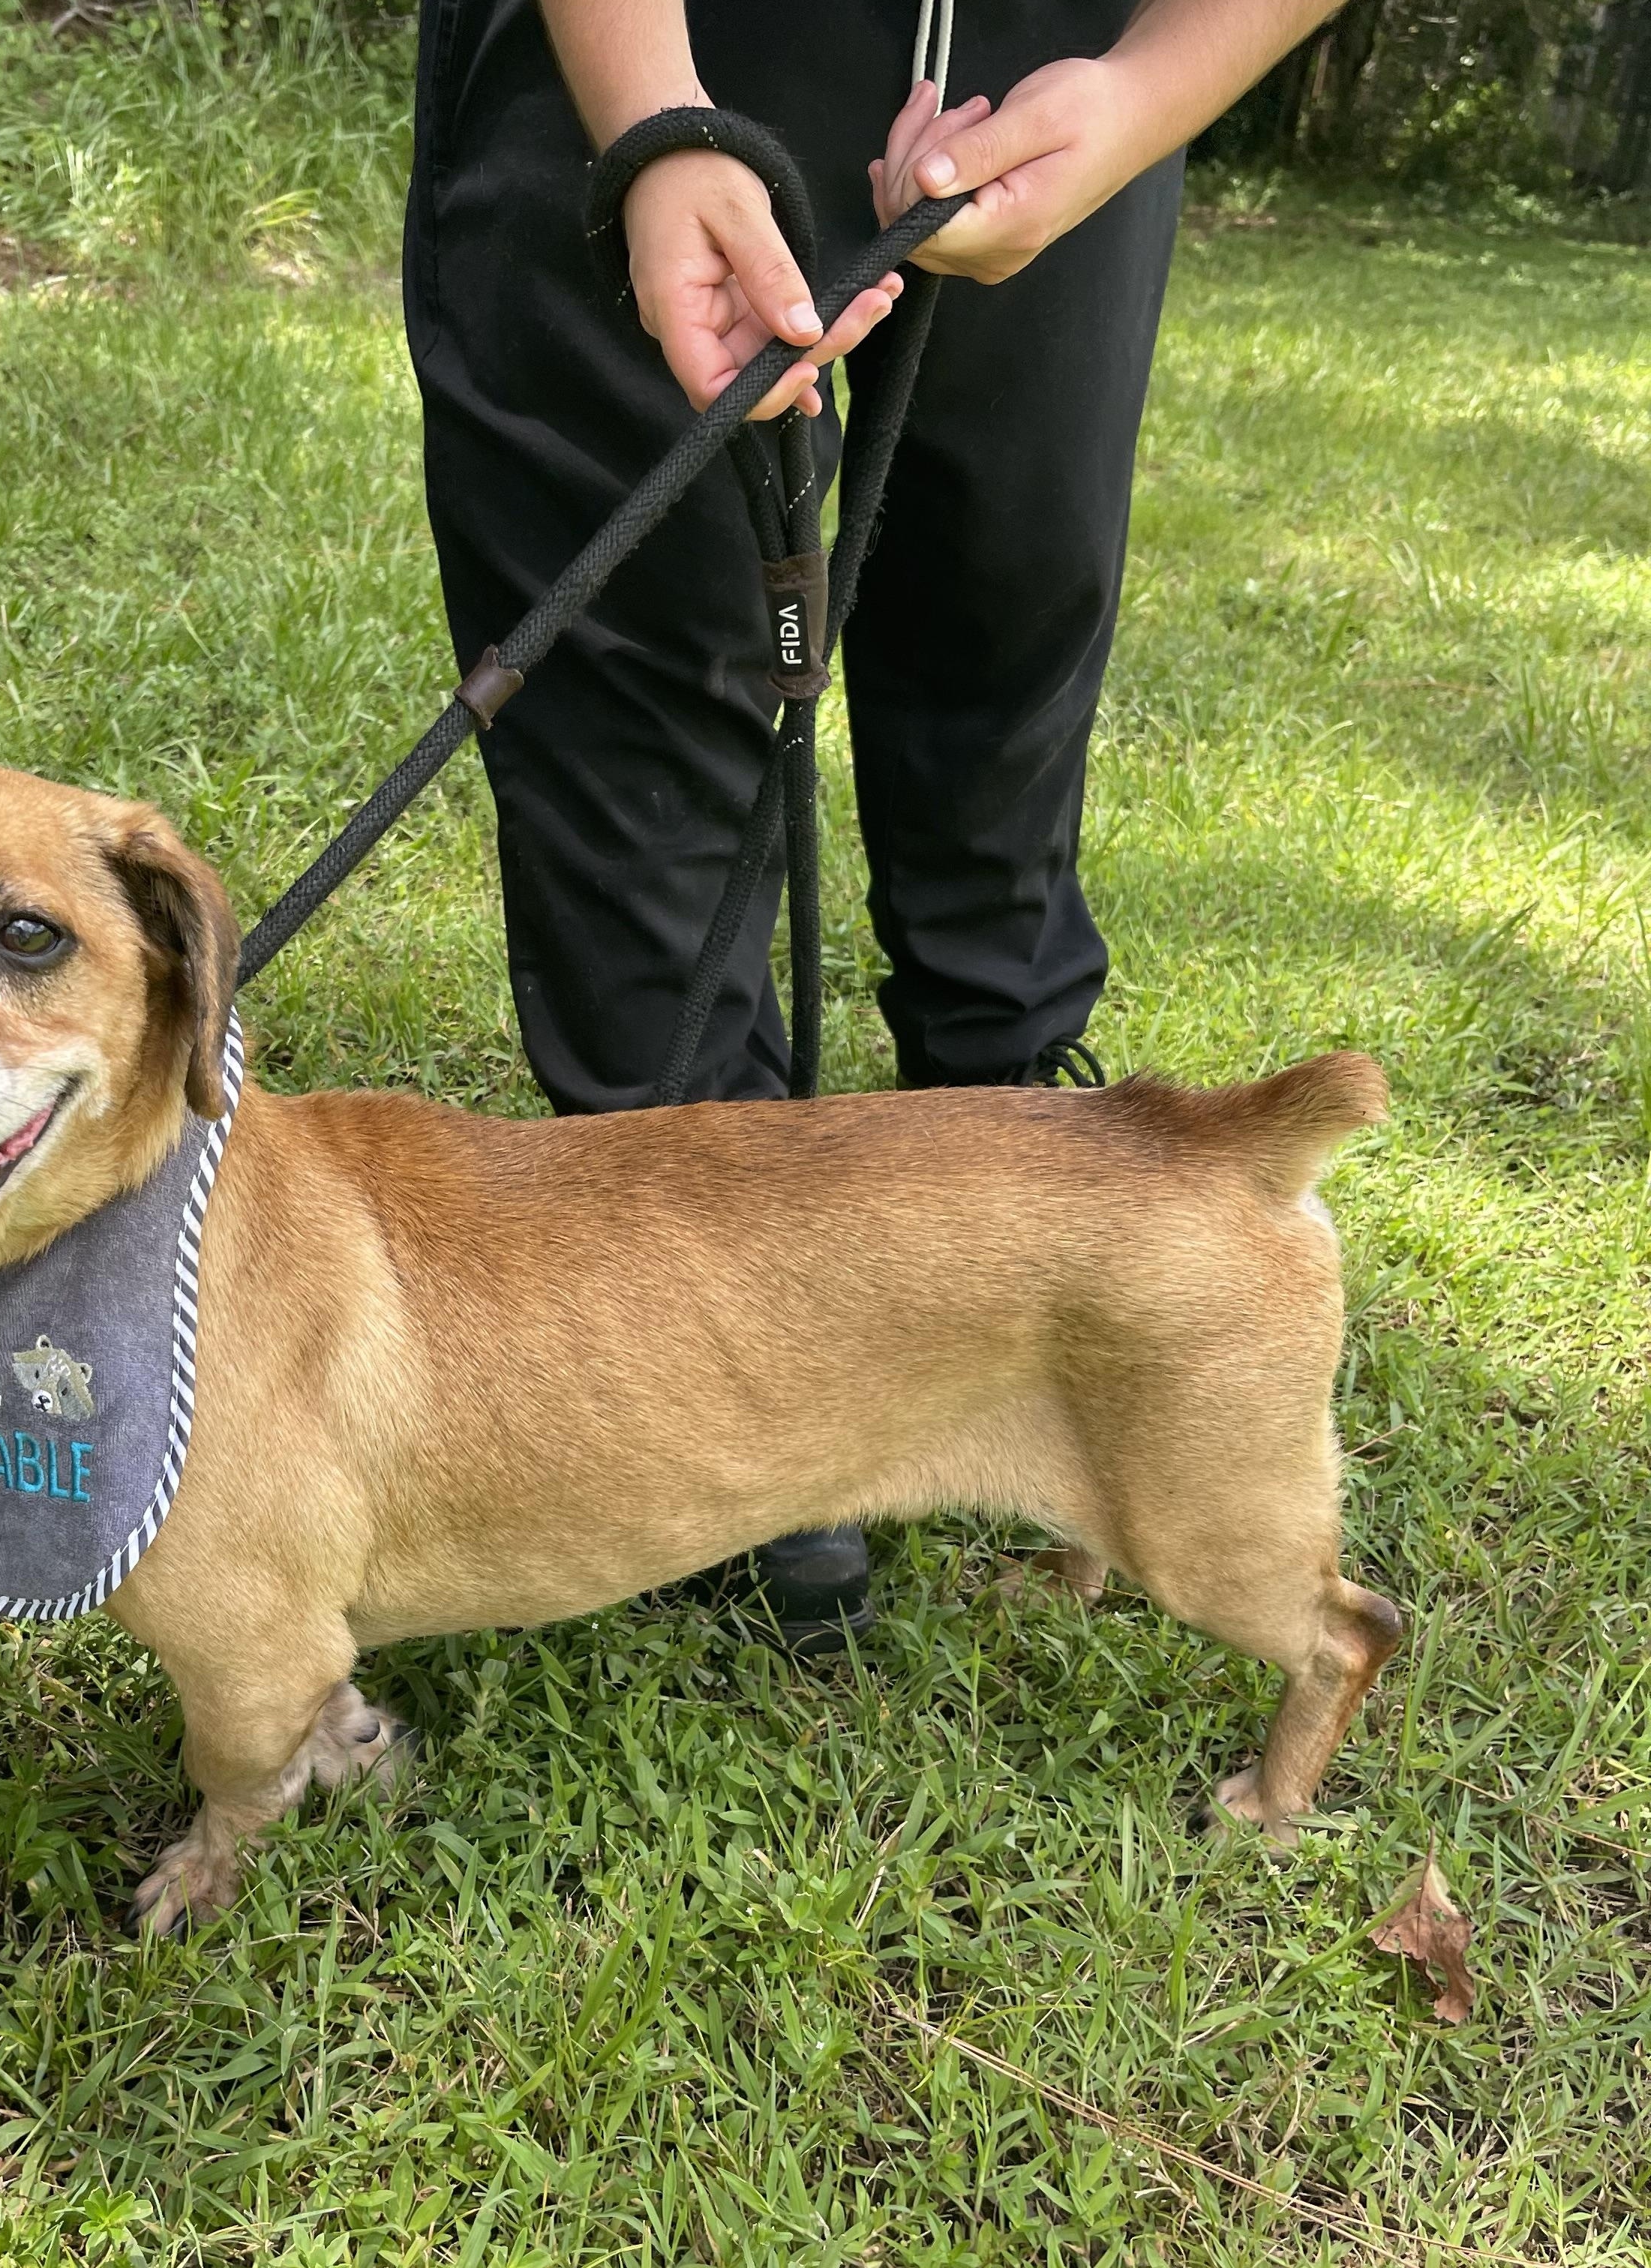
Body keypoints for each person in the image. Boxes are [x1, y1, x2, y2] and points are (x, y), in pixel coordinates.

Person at [403, 0, 1345, 1652]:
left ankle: (1034, 1286)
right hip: (635, 46)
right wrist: (652, 121)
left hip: (1067, 72)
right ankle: (712, 1370)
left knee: (1003, 651)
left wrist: (1143, 90)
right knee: (631, 708)